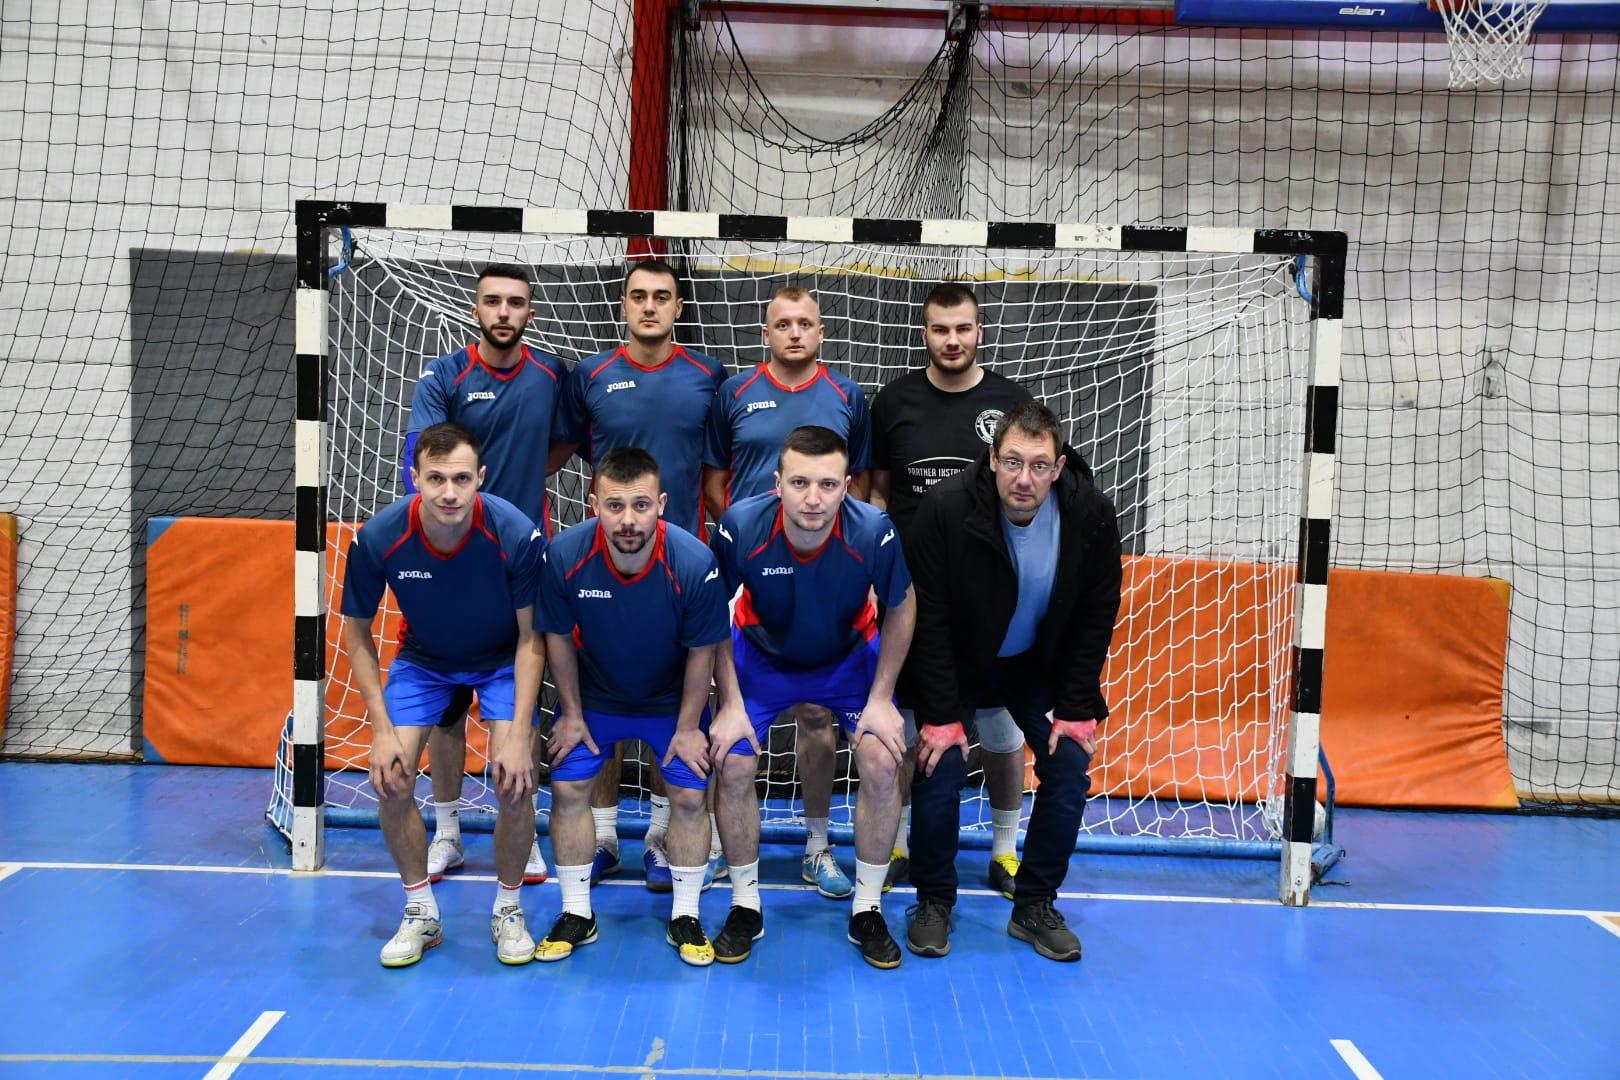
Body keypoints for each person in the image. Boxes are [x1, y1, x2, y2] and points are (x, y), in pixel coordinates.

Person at [902, 401, 1122, 963]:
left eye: (1040, 465)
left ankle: (1034, 905)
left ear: (1059, 466)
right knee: (937, 764)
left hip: (1034, 665)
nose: (1025, 479)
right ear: (993, 459)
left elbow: (1096, 613)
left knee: (1069, 765)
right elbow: (928, 617)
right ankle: (933, 902)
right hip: (958, 662)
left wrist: (1076, 705)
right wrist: (942, 714)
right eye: (1013, 462)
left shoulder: (1091, 514)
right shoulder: (945, 509)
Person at [549, 259, 728, 892]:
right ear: (623, 305)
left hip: (678, 571)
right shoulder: (590, 376)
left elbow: (719, 468)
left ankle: (659, 837)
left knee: (670, 697)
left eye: (662, 296)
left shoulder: (709, 376)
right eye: (638, 296)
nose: (649, 306)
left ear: (679, 307)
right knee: (603, 689)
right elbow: (557, 454)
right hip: (607, 565)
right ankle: (601, 837)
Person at [707, 426, 914, 969]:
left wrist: (882, 698)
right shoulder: (740, 526)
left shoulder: (874, 532)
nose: (813, 498)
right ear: (777, 483)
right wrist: (729, 702)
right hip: (761, 656)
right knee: (731, 761)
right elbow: (708, 613)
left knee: (882, 759)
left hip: (847, 658)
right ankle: (745, 904)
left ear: (847, 486)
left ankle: (868, 909)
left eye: (827, 484)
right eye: (799, 483)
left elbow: (903, 605)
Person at [342, 422, 546, 968]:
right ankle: (420, 912)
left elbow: (533, 637)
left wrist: (519, 734)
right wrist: (380, 730)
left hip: (503, 659)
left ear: (481, 477)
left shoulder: (514, 533)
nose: (449, 492)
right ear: (415, 478)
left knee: (514, 782)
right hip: (425, 660)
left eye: (461, 478)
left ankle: (508, 909)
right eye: (436, 478)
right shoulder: (380, 537)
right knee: (391, 778)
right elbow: (356, 633)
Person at [702, 287, 875, 900]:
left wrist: (834, 549)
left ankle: (817, 845)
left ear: (821, 332)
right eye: (783, 324)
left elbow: (863, 485)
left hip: (827, 571)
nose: (795, 332)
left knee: (817, 714)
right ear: (766, 333)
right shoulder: (735, 393)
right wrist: (752, 543)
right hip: (752, 572)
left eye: (805, 323)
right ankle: (721, 846)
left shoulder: (848, 395)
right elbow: (715, 480)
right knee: (729, 717)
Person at [532, 447, 730, 966]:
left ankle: (686, 915)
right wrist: (571, 713)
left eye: (640, 505)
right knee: (567, 788)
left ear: (661, 505)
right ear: (594, 503)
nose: (627, 520)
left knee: (690, 795)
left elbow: (703, 652)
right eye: (615, 505)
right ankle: (577, 912)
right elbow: (556, 639)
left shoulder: (694, 562)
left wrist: (688, 727)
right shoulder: (564, 555)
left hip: (670, 701)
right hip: (596, 698)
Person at [870, 282, 1035, 897]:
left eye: (963, 328)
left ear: (980, 331)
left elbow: (1030, 495)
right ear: (924, 334)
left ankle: (1005, 850)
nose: (952, 340)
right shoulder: (894, 401)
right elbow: (878, 493)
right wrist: (877, 572)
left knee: (1002, 732)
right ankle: (899, 843)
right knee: (912, 728)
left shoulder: (1010, 403)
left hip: (990, 596)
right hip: (912, 595)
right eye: (940, 329)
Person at [404, 263, 565, 889]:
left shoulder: (551, 375)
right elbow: (423, 459)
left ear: (529, 312)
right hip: (452, 562)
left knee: (519, 701)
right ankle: (447, 832)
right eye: (492, 301)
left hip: (523, 563)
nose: (503, 312)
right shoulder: (445, 376)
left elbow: (565, 444)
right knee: (448, 705)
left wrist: (521, 486)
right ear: (476, 309)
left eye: (515, 303)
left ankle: (519, 833)